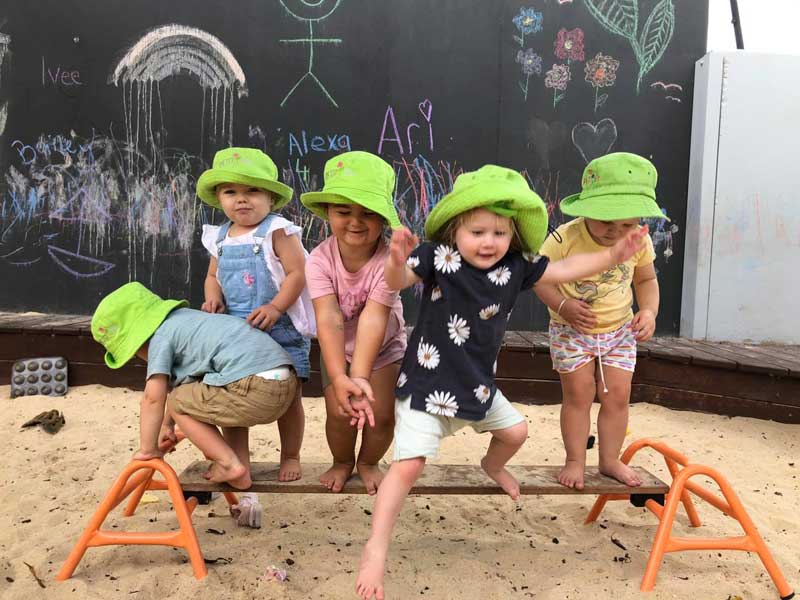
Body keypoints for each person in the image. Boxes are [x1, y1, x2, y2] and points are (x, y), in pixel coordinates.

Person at [355, 164, 649, 600]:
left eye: (499, 232)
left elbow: (568, 269)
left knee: (516, 431)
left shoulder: (517, 266)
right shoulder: (438, 257)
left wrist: (613, 256)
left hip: (475, 384)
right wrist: (397, 258)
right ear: (456, 230)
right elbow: (396, 282)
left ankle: (492, 466)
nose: (488, 241)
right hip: (427, 384)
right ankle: (375, 549)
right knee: (409, 465)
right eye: (477, 231)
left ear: (512, 235)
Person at [91, 282, 299, 499]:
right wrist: (166, 424)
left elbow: (154, 398)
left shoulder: (160, 338)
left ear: (139, 340)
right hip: (285, 381)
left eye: (133, 352)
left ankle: (229, 464)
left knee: (179, 401)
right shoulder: (188, 322)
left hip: (252, 385)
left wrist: (148, 449)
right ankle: (239, 464)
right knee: (217, 399)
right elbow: (190, 388)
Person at [535, 152, 663, 490]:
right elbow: (538, 278)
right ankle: (575, 460)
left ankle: (609, 460)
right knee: (579, 395)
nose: (615, 231)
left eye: (626, 223)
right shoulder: (565, 238)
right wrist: (563, 305)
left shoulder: (638, 239)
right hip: (571, 331)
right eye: (607, 221)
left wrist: (648, 312)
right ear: (586, 209)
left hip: (620, 331)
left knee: (618, 396)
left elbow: (646, 281)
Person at [196, 147, 313, 482]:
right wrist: (212, 298)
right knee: (233, 399)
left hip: (278, 329)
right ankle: (239, 459)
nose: (241, 200)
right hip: (237, 333)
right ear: (219, 199)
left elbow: (297, 273)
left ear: (271, 199)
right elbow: (211, 276)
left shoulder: (277, 231)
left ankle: (290, 454)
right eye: (231, 192)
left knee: (289, 397)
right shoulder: (219, 237)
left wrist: (276, 307)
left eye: (252, 191)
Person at [301, 151, 407, 495]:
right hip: (337, 349)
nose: (355, 222)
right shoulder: (318, 260)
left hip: (383, 350)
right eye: (344, 212)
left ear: (384, 218)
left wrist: (359, 377)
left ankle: (369, 461)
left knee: (381, 415)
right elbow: (328, 319)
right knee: (340, 414)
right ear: (328, 213)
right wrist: (340, 376)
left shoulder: (388, 262)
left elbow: (374, 318)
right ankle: (344, 460)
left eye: (368, 214)